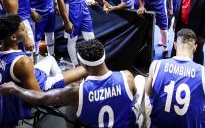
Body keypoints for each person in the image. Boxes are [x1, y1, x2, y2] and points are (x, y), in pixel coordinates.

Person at [0, 39, 143, 128]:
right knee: (140, 81)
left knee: (75, 106)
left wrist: (14, 89)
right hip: (128, 124)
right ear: (104, 57)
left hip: (84, 108)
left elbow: (42, 98)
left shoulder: (76, 90)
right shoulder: (127, 76)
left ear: (82, 64)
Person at [0, 14, 87, 126]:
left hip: (30, 76)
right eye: (23, 30)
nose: (27, 31)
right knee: (85, 69)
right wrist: (62, 95)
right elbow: (39, 96)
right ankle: (82, 109)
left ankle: (61, 81)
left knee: (50, 58)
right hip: (43, 84)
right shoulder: (23, 62)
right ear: (13, 37)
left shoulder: (4, 50)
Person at [145, 28, 205, 128]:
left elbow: (148, 92)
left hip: (158, 125)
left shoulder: (156, 65)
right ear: (195, 48)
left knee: (142, 83)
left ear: (175, 45)